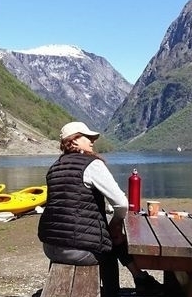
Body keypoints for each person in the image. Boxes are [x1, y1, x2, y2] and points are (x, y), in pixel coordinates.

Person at [37, 121, 163, 297]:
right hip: (78, 250)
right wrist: (117, 221)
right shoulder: (92, 165)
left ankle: (140, 278)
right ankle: (121, 289)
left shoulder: (54, 168)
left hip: (50, 246)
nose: (92, 141)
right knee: (109, 248)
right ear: (73, 142)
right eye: (87, 137)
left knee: (108, 238)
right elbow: (121, 203)